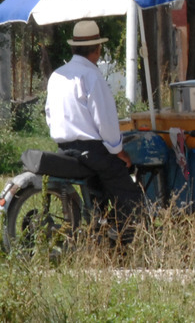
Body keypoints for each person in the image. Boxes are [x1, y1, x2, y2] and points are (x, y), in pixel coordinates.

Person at [45, 19, 143, 234]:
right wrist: (120, 152)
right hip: (90, 150)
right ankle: (124, 242)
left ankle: (100, 224)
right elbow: (105, 122)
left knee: (103, 180)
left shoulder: (57, 75)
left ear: (73, 47)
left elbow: (49, 115)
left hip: (64, 148)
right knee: (128, 191)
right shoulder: (92, 76)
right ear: (98, 49)